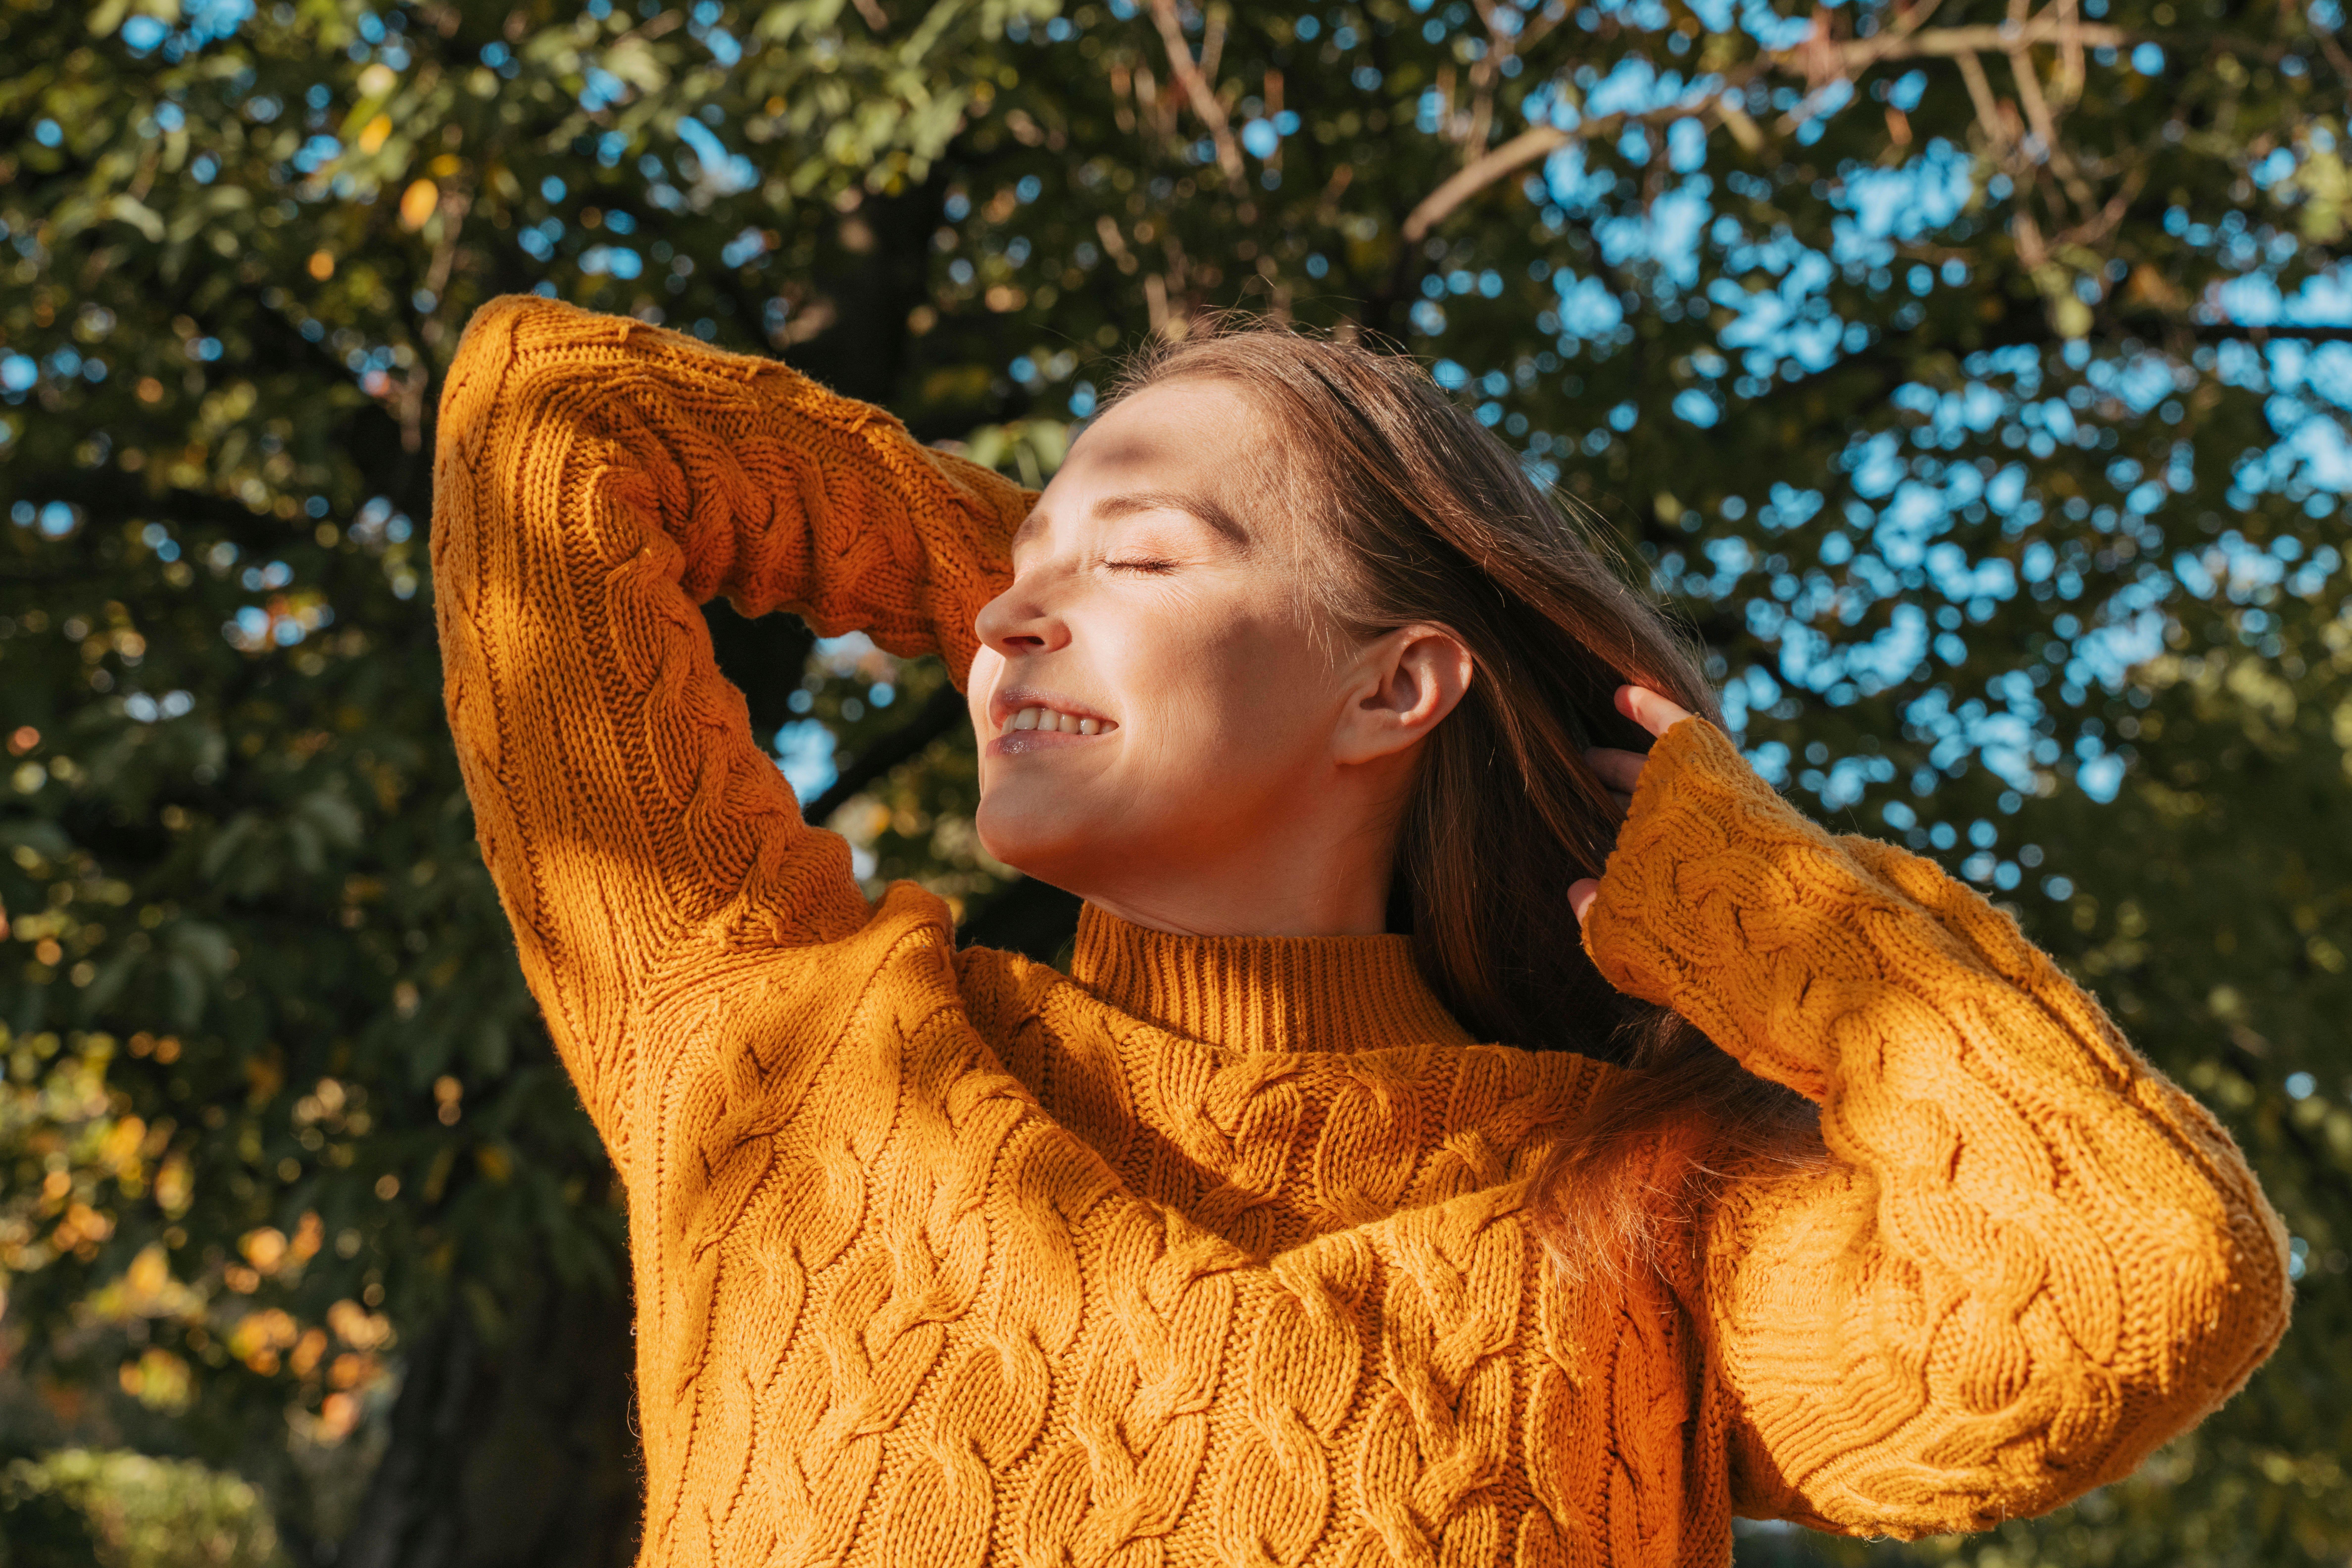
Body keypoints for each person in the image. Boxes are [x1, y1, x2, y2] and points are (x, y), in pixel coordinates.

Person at [432, 294, 2288, 1568]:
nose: (1005, 619)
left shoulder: (1645, 1221)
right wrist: (1036, 586)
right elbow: (549, 418)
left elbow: (2133, 1280)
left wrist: (1754, 892)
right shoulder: (768, 1046)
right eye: (1015, 573)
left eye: (1139, 557)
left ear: (1397, 687)